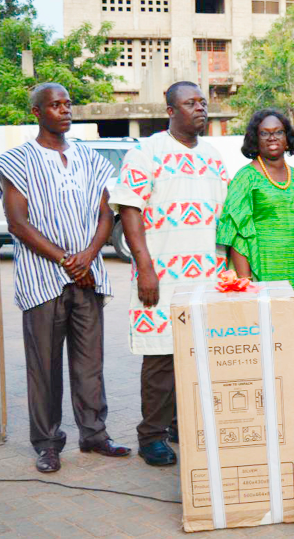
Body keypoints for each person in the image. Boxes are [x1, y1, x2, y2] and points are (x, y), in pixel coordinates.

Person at [0, 83, 131, 473]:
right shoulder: (18, 160)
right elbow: (18, 223)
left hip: (88, 276)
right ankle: (48, 443)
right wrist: (68, 261)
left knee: (90, 363)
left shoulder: (88, 156)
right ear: (37, 112)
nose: (65, 110)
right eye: (55, 105)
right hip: (43, 280)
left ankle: (94, 434)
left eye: (68, 104)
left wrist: (87, 258)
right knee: (43, 367)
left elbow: (106, 214)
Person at [110, 81, 229, 466]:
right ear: (170, 110)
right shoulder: (146, 152)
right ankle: (152, 436)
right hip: (161, 274)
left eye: (202, 103)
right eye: (190, 103)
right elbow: (129, 209)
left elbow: (225, 219)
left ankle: (181, 424)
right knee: (160, 358)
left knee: (196, 356)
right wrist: (144, 266)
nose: (200, 108)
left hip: (207, 277)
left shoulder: (213, 156)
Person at [217, 110, 294, 362]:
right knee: (266, 345)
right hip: (260, 273)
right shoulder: (245, 177)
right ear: (255, 139)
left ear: (287, 138)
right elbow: (237, 231)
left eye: (278, 132)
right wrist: (245, 282)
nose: (272, 138)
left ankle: (293, 398)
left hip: (293, 273)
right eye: (265, 133)